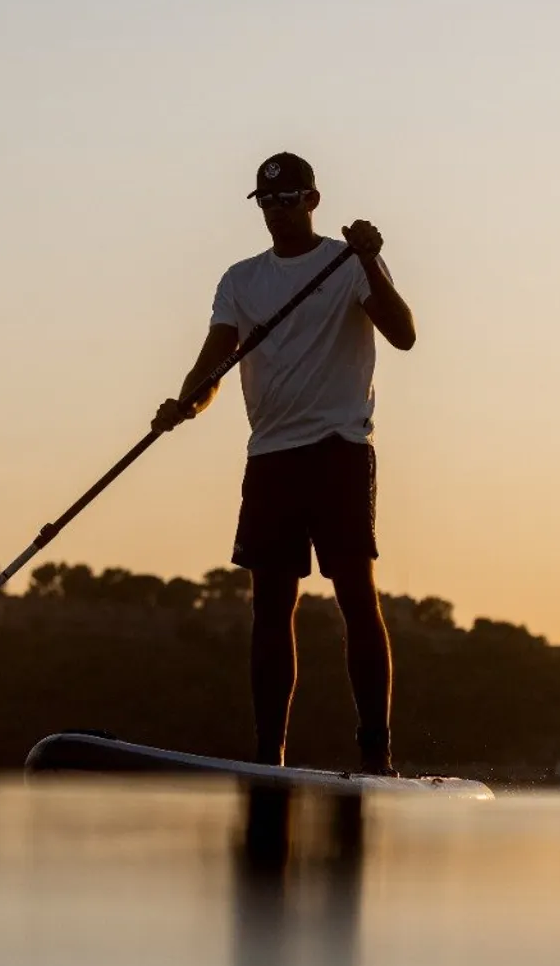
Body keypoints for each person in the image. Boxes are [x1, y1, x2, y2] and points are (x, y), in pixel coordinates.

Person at [153, 152, 416, 774]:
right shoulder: (240, 280)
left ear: (311, 201)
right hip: (271, 455)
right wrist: (184, 404)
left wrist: (372, 260)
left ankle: (376, 757)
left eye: (288, 199)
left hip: (339, 451)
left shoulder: (348, 262)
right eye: (266, 202)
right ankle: (268, 754)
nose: (276, 212)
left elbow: (403, 334)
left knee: (356, 597)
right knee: (270, 606)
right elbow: (214, 363)